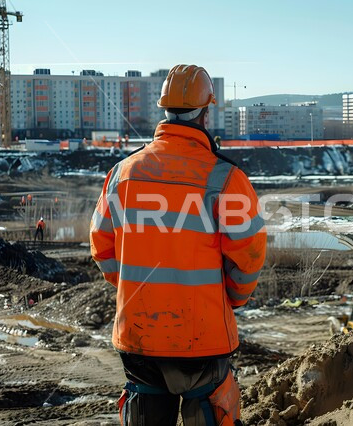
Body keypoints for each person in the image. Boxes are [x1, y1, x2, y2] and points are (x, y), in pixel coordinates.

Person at [90, 64, 266, 426]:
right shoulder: (225, 178)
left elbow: (101, 248)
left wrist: (136, 290)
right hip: (202, 340)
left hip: (138, 337)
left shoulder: (122, 174)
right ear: (205, 112)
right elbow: (249, 258)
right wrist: (230, 299)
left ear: (164, 110)